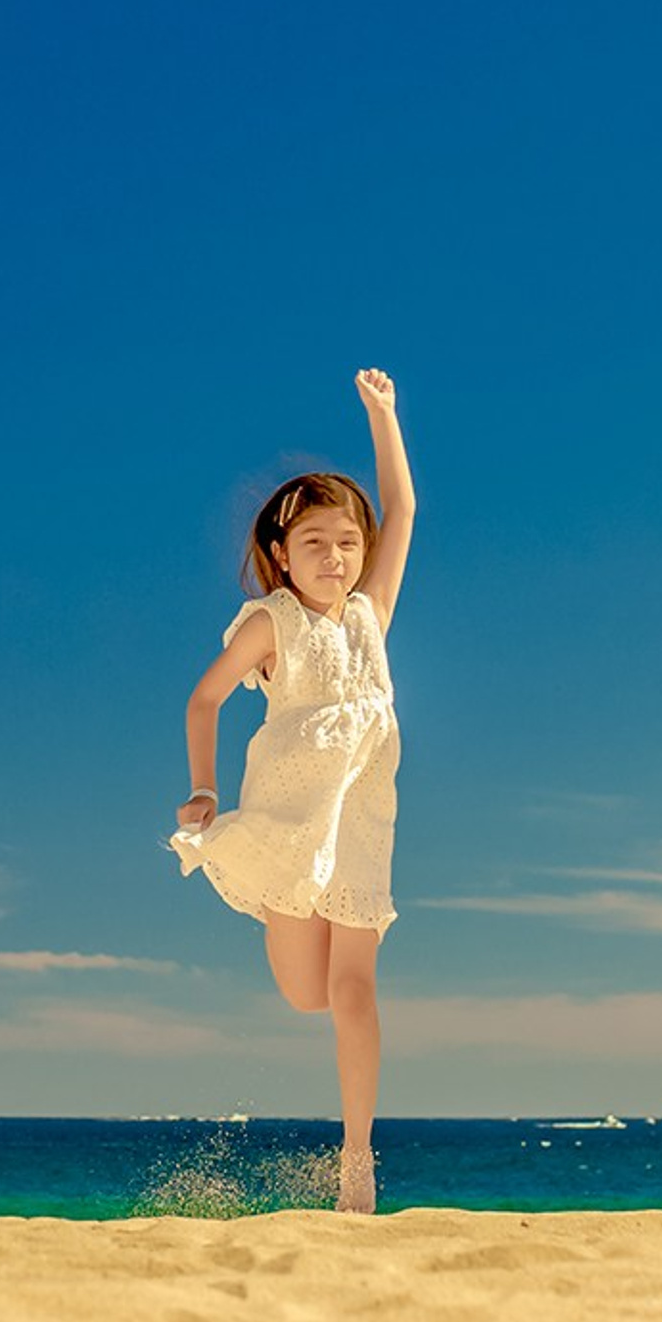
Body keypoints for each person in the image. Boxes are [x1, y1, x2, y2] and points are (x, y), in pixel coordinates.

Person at [173, 371, 416, 1213]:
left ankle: (357, 1160)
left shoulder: (368, 617)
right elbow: (203, 699)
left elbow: (405, 508)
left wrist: (383, 418)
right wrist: (203, 789)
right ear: (281, 554)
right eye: (314, 543)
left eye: (347, 542)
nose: (335, 558)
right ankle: (281, 911)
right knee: (303, 993)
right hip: (287, 822)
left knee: (352, 990)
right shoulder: (271, 624)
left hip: (361, 819)